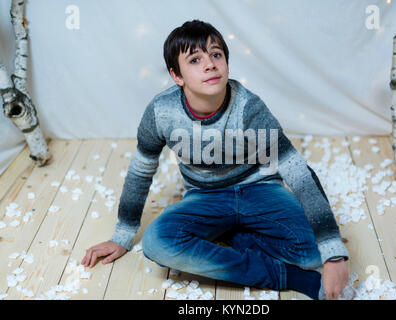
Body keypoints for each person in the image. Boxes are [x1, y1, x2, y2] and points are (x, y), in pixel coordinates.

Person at [81, 20, 354, 300]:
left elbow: (297, 171)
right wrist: (122, 235)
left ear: (225, 63)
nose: (209, 64)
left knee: (313, 253)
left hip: (259, 188)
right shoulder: (161, 112)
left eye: (216, 55)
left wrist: (333, 253)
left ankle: (237, 237)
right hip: (205, 196)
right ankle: (288, 277)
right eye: (195, 59)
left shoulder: (249, 107)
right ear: (177, 76)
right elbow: (141, 172)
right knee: (157, 243)